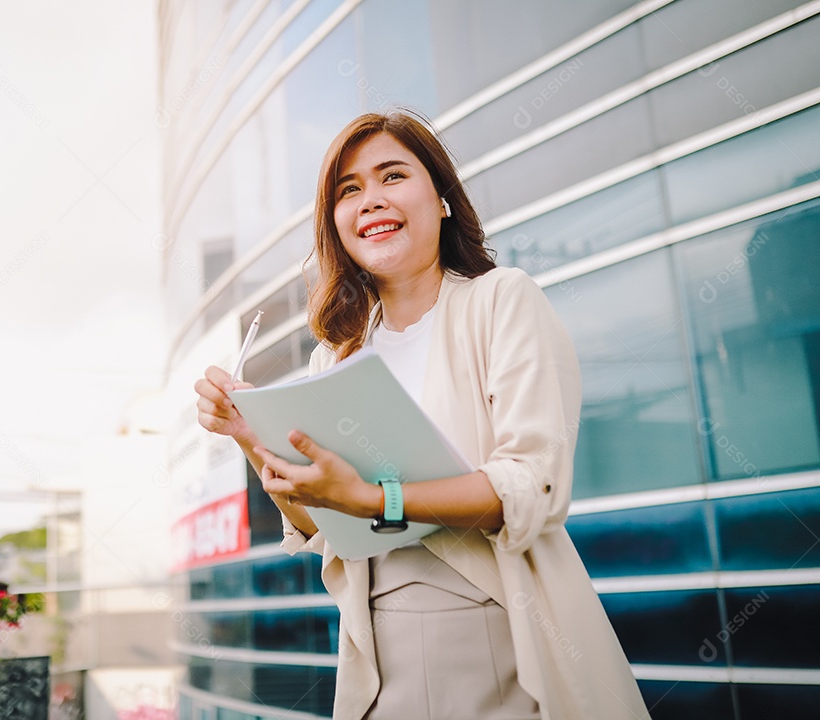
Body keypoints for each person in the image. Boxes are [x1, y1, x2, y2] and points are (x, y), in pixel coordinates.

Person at [194, 109, 650, 720]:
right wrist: (251, 436)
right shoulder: (339, 351)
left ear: (440, 200)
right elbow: (323, 519)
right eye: (348, 190)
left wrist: (377, 500)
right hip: (378, 652)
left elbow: (530, 484)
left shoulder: (501, 300)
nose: (371, 200)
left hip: (499, 629)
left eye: (392, 176)